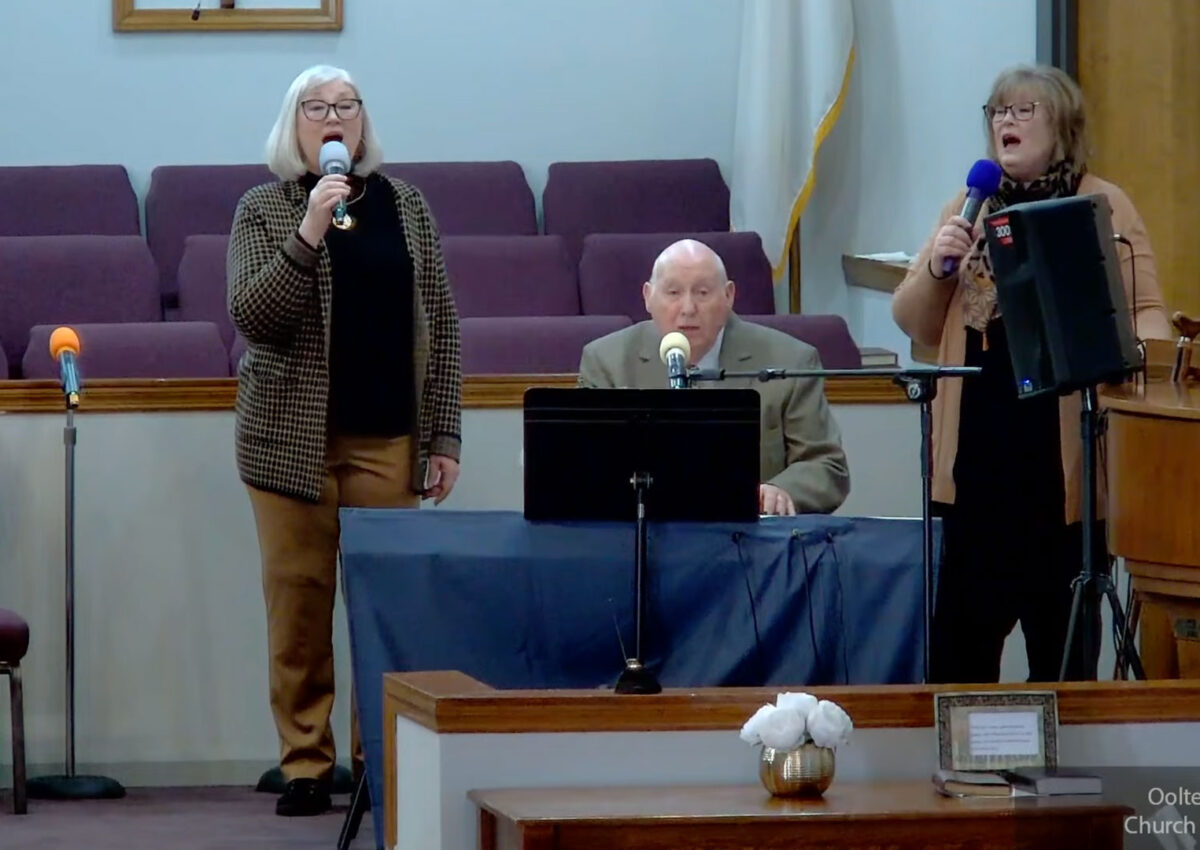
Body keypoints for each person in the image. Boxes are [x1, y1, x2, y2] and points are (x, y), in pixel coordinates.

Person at [227, 64, 462, 817]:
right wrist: (310, 230)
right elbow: (256, 317)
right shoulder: (264, 209)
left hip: (388, 435)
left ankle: (375, 763)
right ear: (293, 127)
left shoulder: (409, 207)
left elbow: (443, 323)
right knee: (298, 611)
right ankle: (304, 764)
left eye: (347, 107)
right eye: (317, 108)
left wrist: (445, 433)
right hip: (287, 445)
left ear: (363, 124)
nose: (334, 119)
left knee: (380, 605)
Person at [892, 64, 1170, 684]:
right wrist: (938, 268)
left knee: (1063, 657)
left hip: (1061, 468)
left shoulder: (1103, 202)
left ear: (1062, 127)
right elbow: (914, 323)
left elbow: (1147, 311)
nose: (1005, 123)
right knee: (961, 654)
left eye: (1023, 112)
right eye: (997, 112)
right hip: (978, 465)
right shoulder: (966, 207)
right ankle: (960, 776)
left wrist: (1135, 367)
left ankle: (1065, 775)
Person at [578, 238, 850, 515]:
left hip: (747, 542)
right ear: (648, 296)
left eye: (703, 292)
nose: (688, 308)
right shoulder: (606, 362)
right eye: (673, 292)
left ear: (729, 296)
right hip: (643, 536)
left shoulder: (790, 360)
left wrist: (782, 490)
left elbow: (826, 464)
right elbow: (585, 465)